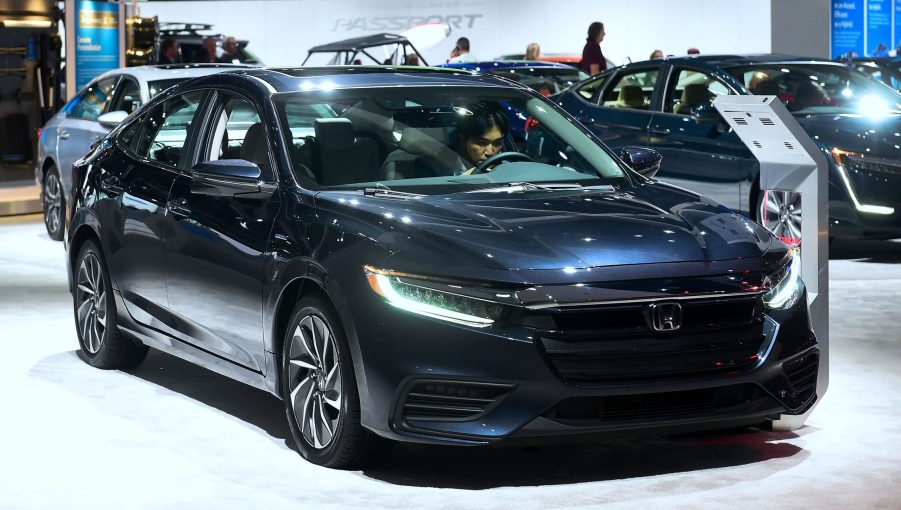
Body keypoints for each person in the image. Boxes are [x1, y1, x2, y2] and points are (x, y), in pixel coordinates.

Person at [454, 102, 509, 174]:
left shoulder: (509, 169)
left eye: (497, 142)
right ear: (463, 139)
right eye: (482, 143)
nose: (490, 152)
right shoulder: (443, 172)